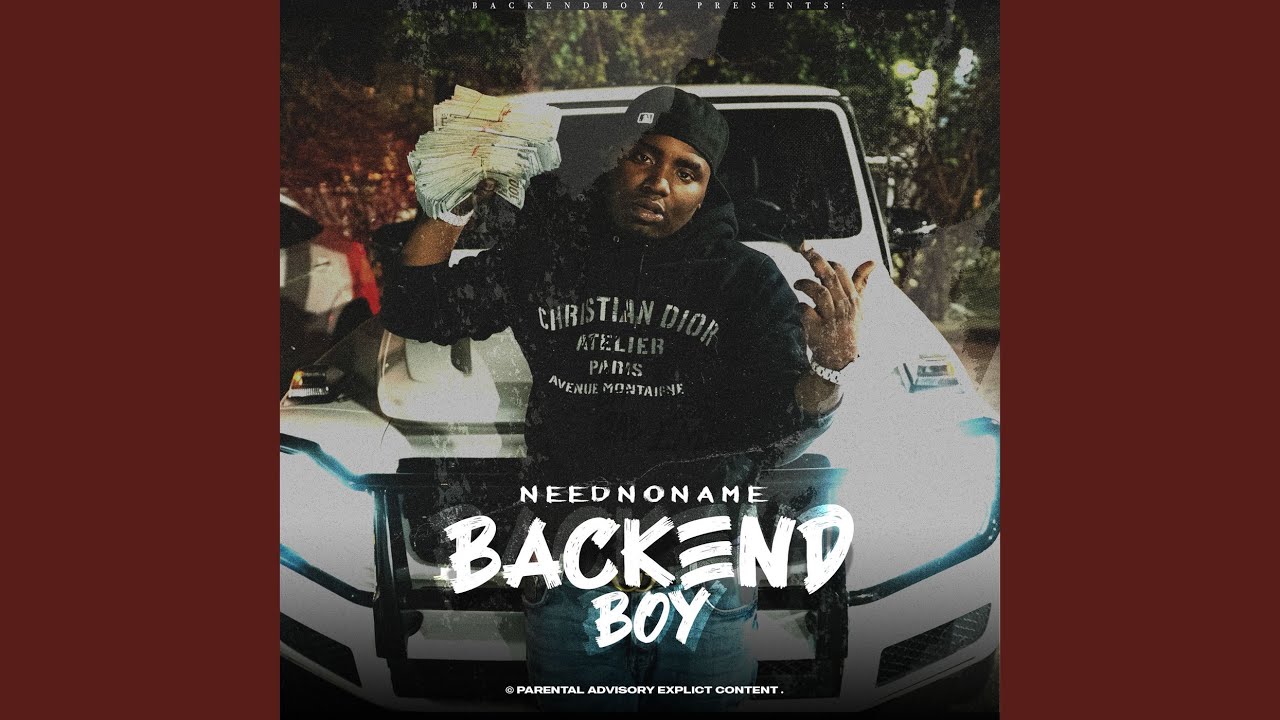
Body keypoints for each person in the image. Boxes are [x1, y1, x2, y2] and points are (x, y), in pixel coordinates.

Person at [380, 86, 873, 711]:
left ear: (706, 190)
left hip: (702, 571)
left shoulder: (745, 279)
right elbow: (415, 308)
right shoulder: (548, 256)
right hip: (570, 563)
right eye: (644, 156)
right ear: (615, 160)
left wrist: (828, 366)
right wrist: (454, 199)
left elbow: (780, 425)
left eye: (686, 171)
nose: (659, 182)